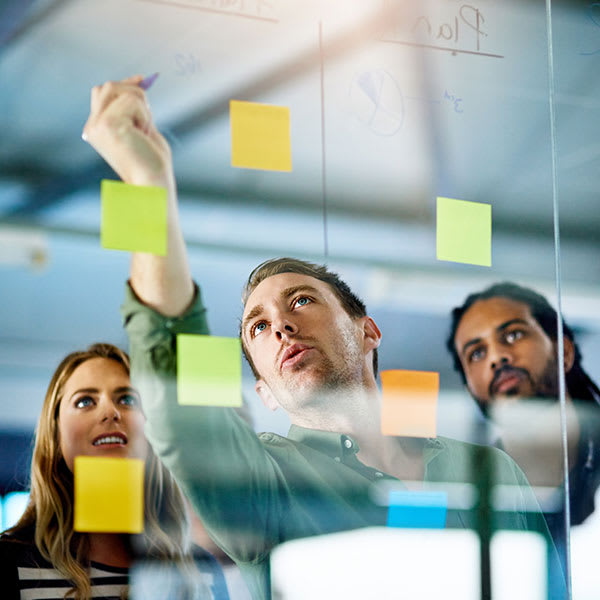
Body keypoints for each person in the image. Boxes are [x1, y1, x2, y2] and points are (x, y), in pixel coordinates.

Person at [83, 77, 561, 600]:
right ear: (263, 390)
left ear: (368, 331)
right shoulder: (264, 481)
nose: (281, 326)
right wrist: (148, 181)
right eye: (258, 327)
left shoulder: (487, 471)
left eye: (302, 301)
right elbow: (178, 390)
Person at [0, 343, 229, 600]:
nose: (110, 411)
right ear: (55, 433)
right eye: (85, 401)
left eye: (127, 399)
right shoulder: (8, 560)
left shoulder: (200, 571)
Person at [447, 282, 600, 526]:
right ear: (470, 390)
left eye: (513, 335)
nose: (497, 357)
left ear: (564, 352)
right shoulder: (468, 487)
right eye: (476, 353)